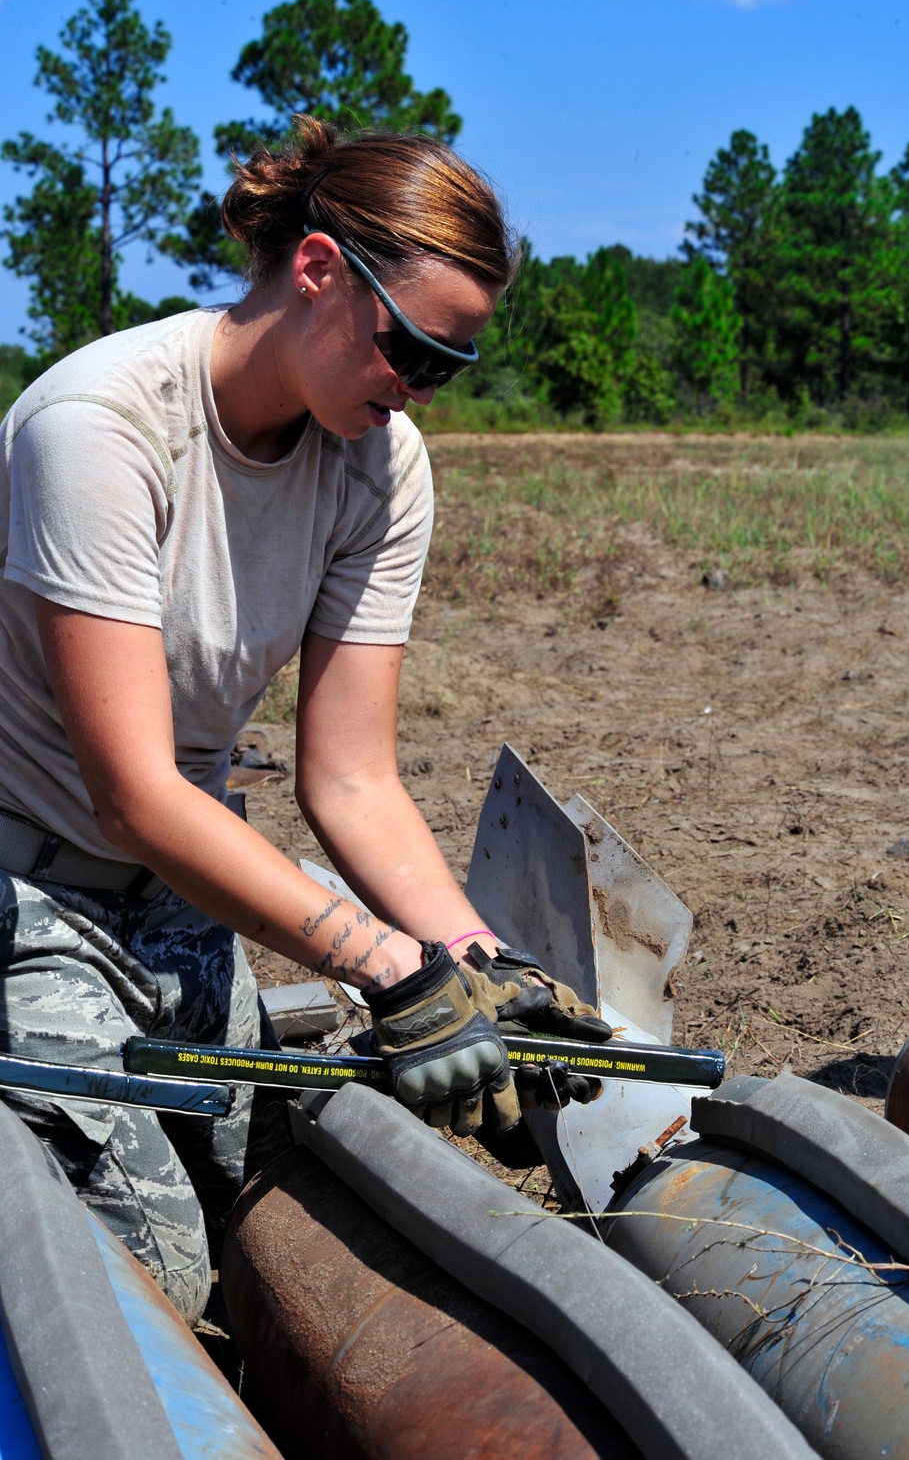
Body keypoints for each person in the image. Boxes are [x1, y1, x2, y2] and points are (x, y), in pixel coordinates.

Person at [0, 115, 608, 1325]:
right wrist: (384, 966)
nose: (417, 388)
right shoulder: (101, 430)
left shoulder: (381, 464)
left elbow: (351, 778)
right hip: (28, 889)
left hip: (184, 889)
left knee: (259, 1205)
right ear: (321, 268)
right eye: (408, 349)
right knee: (138, 1286)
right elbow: (131, 789)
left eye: (448, 368)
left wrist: (481, 972)